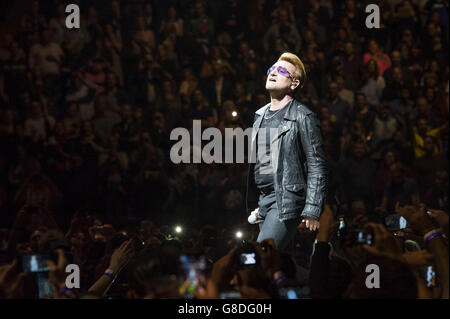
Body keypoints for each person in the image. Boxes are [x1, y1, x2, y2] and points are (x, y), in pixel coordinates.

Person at [246, 52, 327, 252]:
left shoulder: (303, 116)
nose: (273, 73)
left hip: (285, 202)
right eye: (271, 69)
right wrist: (259, 200)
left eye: (281, 71)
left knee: (261, 258)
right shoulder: (260, 115)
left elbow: (317, 164)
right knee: (279, 266)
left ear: (294, 84)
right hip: (265, 202)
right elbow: (262, 161)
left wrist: (312, 209)